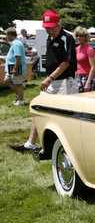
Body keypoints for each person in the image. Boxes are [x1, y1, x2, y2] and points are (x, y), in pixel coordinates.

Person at [9, 11, 77, 153]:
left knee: (64, 114)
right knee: (38, 108)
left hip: (65, 82)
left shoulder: (67, 38)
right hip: (51, 82)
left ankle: (68, 146)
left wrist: (50, 78)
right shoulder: (49, 38)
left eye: (52, 27)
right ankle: (29, 144)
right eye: (47, 28)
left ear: (59, 25)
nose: (49, 30)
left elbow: (66, 62)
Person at [4, 28, 27, 105]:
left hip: (15, 67)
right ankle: (19, 96)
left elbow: (18, 57)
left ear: (10, 35)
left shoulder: (16, 44)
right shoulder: (14, 43)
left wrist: (15, 68)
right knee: (7, 81)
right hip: (11, 66)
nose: (6, 36)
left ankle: (21, 101)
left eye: (6, 34)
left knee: (18, 84)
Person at [74, 26, 95, 92]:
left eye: (81, 36)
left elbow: (93, 67)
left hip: (87, 77)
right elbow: (77, 64)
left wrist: (88, 82)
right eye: (77, 35)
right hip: (79, 77)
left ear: (85, 37)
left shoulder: (89, 49)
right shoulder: (77, 48)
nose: (78, 37)